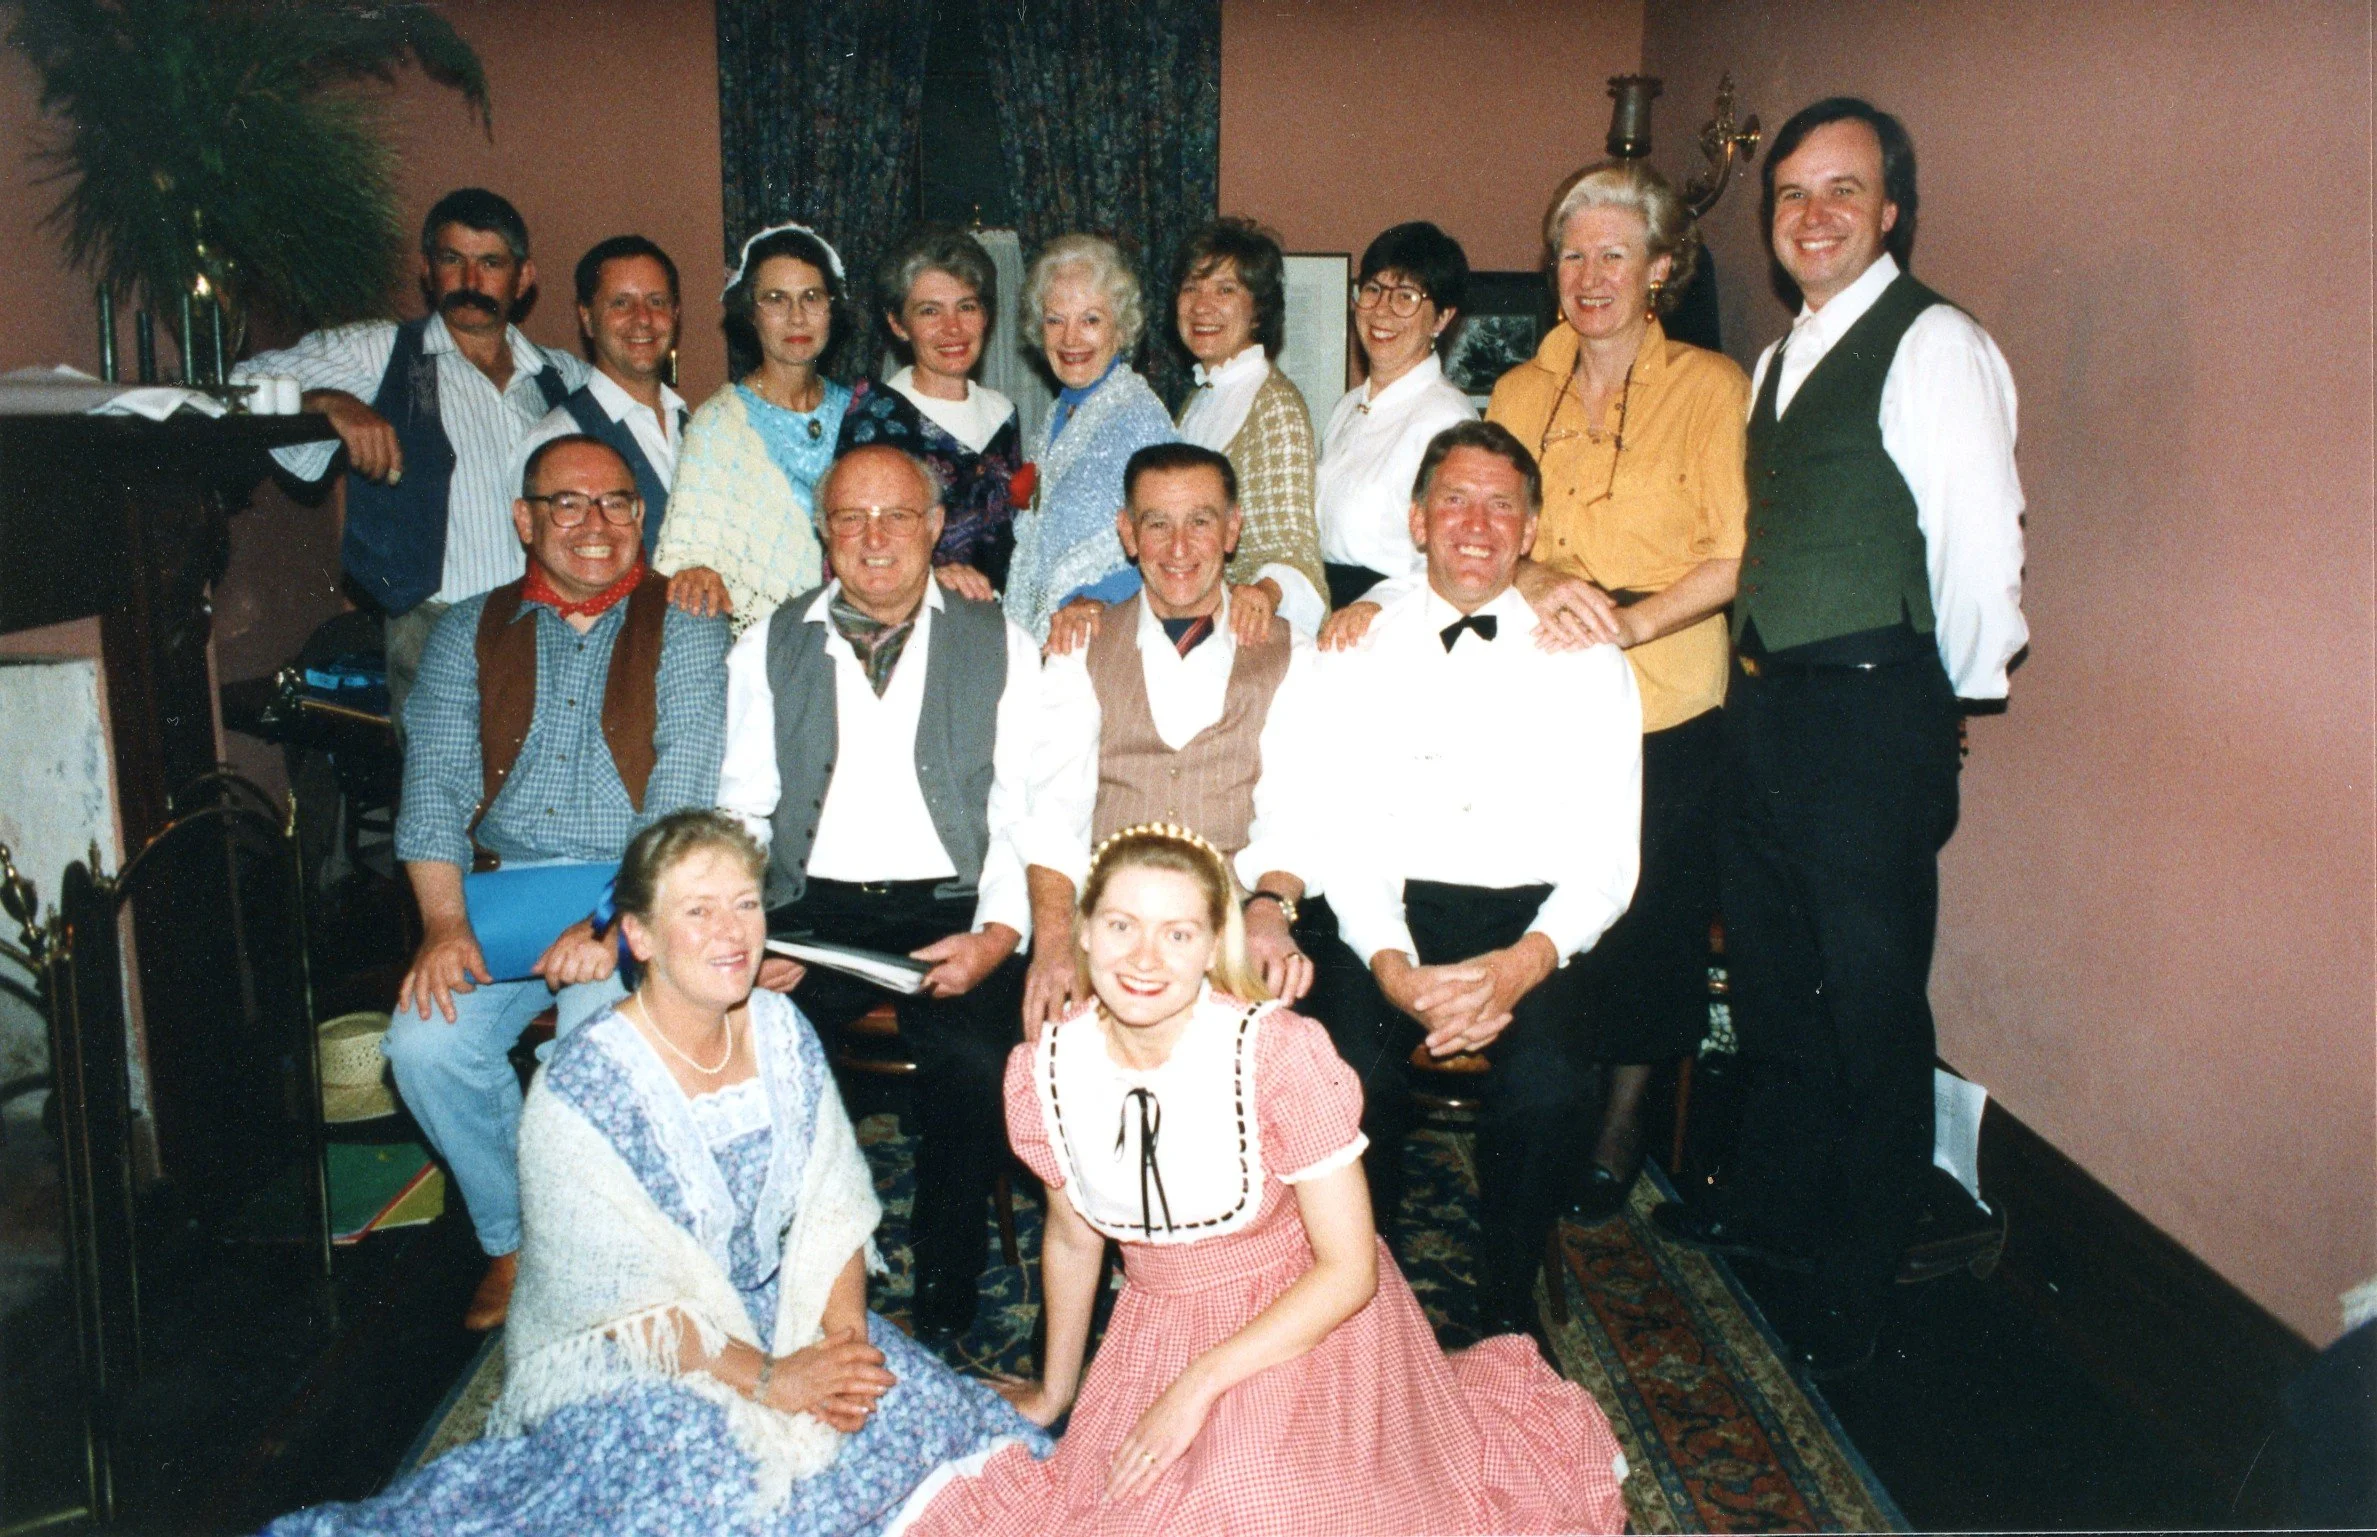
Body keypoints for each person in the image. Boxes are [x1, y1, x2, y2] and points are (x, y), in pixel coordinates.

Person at [266, 810, 1048, 1537]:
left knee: (945, 1439)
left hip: (783, 1309)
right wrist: (772, 1379)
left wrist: (840, 1346)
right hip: (642, 1353)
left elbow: (832, 1204)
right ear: (637, 935)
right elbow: (622, 1308)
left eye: (745, 904)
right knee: (716, 1492)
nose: (732, 933)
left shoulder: (780, 1029)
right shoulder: (583, 1087)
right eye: (697, 911)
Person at [897, 825, 1628, 1537]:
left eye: (1178, 933)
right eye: (1122, 925)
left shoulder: (1275, 1053)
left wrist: (1197, 1384)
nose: (1145, 957)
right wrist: (1058, 1390)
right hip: (1156, 1323)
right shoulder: (1048, 1067)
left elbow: (1350, 1271)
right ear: (1082, 930)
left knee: (1252, 1505)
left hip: (1307, 1319)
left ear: (1215, 945)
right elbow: (1071, 1236)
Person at [1648, 99, 2027, 1381]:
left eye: (1842, 190)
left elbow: (1982, 550)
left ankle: (1855, 1294)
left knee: (1868, 1005)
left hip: (1869, 709)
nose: (1812, 213)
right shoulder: (1774, 363)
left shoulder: (1934, 346)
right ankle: (1782, 1226)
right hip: (1769, 708)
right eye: (1792, 193)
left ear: (1890, 211)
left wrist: (1941, 702)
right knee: (1771, 986)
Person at [386, 434, 730, 1330]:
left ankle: (601, 1254)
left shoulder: (686, 620)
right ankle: (516, 1240)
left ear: (641, 516)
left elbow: (681, 797)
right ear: (524, 520)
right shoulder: (468, 628)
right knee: (422, 1045)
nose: (593, 524)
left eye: (615, 502)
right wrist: (441, 924)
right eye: (566, 504)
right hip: (500, 891)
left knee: (588, 1052)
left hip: (636, 887)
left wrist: (612, 920)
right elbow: (435, 789)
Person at [1310, 421, 1641, 1340]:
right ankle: (1358, 1303)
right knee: (1346, 1078)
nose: (1475, 523)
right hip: (1388, 910)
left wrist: (1519, 967)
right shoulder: (1356, 647)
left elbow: (1608, 859)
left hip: (1534, 923)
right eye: (1453, 499)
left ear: (1530, 531)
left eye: (1502, 504)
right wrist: (1390, 967)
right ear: (1416, 521)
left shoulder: (1589, 659)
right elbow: (1345, 831)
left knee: (1548, 1090)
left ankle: (1504, 1311)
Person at [717, 443, 1042, 1343]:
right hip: (809, 910)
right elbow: (741, 810)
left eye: (896, 515)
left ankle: (943, 1294)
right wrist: (753, 937)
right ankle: (804, 1286)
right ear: (823, 532)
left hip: (952, 906)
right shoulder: (769, 643)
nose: (873, 538)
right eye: (849, 518)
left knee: (976, 1066)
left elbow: (1021, 814)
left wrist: (996, 936)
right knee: (766, 1056)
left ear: (935, 528)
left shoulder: (999, 640)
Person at [1481, 162, 1750, 1223]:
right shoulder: (1515, 389)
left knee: (1646, 917)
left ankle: (1618, 1129)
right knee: (1539, 897)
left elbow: (1735, 554)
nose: (1589, 276)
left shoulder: (1711, 387)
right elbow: (1492, 531)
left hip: (1664, 693)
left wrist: (1628, 625)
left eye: (1614, 254)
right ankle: (1544, 1092)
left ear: (1661, 271)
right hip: (1540, 687)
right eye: (1573, 254)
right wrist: (1543, 579)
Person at [234, 188, 586, 720]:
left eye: (490, 263)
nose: (471, 282)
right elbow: (239, 386)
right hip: (435, 636)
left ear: (525, 276)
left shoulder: (561, 376)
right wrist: (328, 403)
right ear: (427, 270)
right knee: (445, 801)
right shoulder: (382, 352)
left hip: (560, 629)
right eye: (452, 260)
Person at [1019, 442, 1324, 1043]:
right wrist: (1054, 944)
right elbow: (1053, 810)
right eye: (1157, 524)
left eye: (1200, 522)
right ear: (1128, 534)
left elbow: (1297, 808)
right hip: (1111, 930)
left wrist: (1269, 909)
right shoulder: (1082, 643)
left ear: (1232, 529)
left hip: (1234, 921)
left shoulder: (1293, 652)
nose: (1178, 548)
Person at [656, 224, 855, 634]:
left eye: (812, 298)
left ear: (832, 308)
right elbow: (687, 561)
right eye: (775, 299)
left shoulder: (861, 411)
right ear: (751, 312)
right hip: (764, 648)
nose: (797, 316)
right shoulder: (720, 424)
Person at [1001, 234, 1177, 642]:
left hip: (1106, 637)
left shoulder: (1140, 417)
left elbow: (1172, 542)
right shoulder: (1060, 411)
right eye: (1055, 320)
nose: (1070, 339)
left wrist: (1098, 598)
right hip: (1050, 641)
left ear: (1122, 328)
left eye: (1090, 320)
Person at [836, 225, 1026, 599]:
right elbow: (851, 550)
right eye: (929, 311)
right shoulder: (874, 417)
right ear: (898, 324)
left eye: (967, 307)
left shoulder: (1002, 415)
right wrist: (930, 578)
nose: (952, 328)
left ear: (986, 316)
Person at [1314, 222, 1478, 609]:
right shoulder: (1346, 408)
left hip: (1394, 618)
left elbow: (1455, 553)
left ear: (1441, 318)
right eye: (1373, 290)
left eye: (1406, 297)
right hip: (1329, 610)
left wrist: (1376, 606)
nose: (1382, 312)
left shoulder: (1449, 420)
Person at [514, 235, 690, 557]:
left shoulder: (698, 429)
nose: (643, 319)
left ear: (675, 314)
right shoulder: (557, 437)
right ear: (587, 318)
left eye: (656, 301)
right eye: (621, 303)